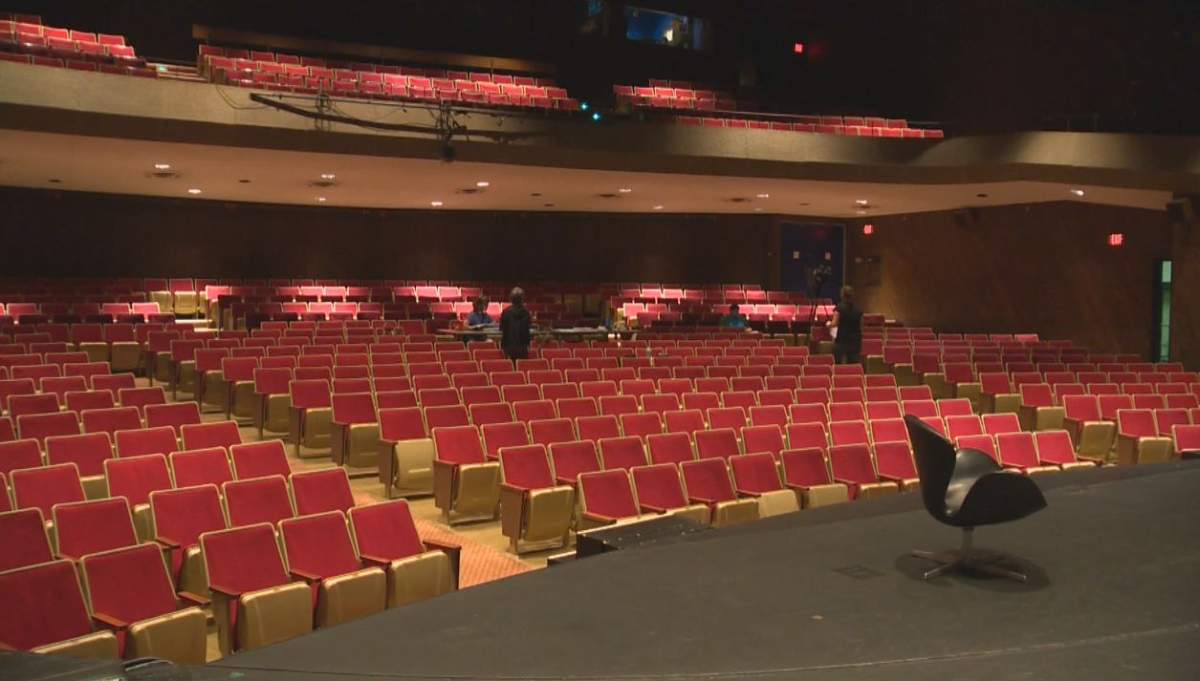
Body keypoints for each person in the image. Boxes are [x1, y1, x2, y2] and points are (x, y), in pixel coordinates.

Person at [830, 285, 863, 365]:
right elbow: (861, 326)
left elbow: (835, 323)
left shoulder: (839, 308)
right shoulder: (858, 309)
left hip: (842, 339)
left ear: (842, 295)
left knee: (838, 362)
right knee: (853, 363)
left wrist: (828, 324)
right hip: (855, 340)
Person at [499, 287, 532, 361]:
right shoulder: (526, 312)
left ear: (511, 299)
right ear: (522, 299)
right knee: (521, 366)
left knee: (510, 366)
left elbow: (501, 327)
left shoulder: (506, 312)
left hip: (508, 345)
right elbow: (528, 327)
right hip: (522, 346)